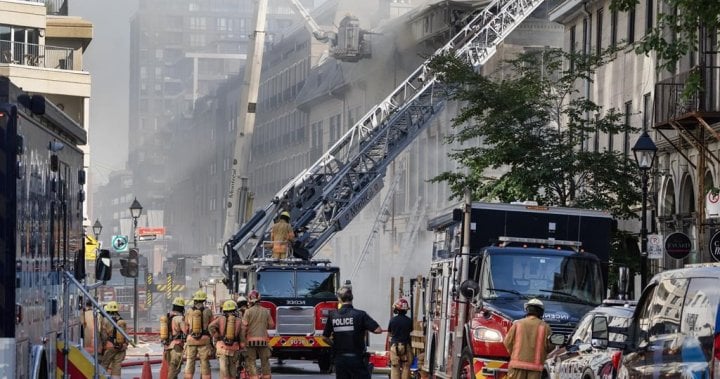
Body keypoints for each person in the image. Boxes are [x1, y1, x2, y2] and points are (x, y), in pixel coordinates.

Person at [323, 284, 383, 379]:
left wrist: (334, 345)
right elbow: (378, 330)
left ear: (339, 299)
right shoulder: (360, 314)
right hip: (356, 359)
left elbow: (324, 337)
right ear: (352, 298)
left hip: (340, 359)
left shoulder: (333, 315)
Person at [503, 298, 553, 379]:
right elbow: (550, 346)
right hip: (535, 368)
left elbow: (507, 342)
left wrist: (515, 354)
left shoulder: (518, 324)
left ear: (527, 310)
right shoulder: (545, 327)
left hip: (517, 366)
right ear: (541, 312)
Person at [242, 290, 275, 379]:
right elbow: (272, 325)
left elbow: (244, 328)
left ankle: (254, 377)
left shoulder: (248, 312)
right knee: (265, 361)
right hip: (263, 341)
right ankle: (266, 377)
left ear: (249, 299)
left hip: (250, 342)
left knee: (251, 361)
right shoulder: (266, 311)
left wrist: (242, 341)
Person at [183, 290, 215, 379]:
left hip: (191, 340)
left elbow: (186, 326)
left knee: (189, 362)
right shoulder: (208, 311)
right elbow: (212, 325)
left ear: (195, 300)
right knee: (205, 363)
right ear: (203, 300)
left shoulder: (189, 311)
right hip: (204, 340)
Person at [209, 300, 244, 379]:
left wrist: (217, 336)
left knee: (223, 370)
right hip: (234, 349)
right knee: (232, 370)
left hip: (222, 348)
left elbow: (210, 327)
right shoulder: (239, 321)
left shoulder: (220, 319)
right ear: (235, 310)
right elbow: (242, 339)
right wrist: (242, 347)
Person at [99, 301, 128, 379]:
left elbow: (103, 335)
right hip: (121, 346)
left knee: (104, 365)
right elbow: (125, 334)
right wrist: (125, 345)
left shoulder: (105, 320)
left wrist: (103, 345)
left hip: (110, 346)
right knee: (116, 367)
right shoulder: (121, 320)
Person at [388, 298, 413, 379]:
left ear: (397, 309)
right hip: (406, 346)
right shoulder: (409, 321)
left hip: (394, 347)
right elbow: (410, 330)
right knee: (406, 366)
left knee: (395, 368)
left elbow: (390, 332)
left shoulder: (393, 320)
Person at [162, 297, 187, 379]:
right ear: (182, 308)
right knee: (174, 368)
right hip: (176, 346)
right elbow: (186, 331)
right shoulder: (179, 318)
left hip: (168, 346)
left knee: (171, 368)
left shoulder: (168, 316)